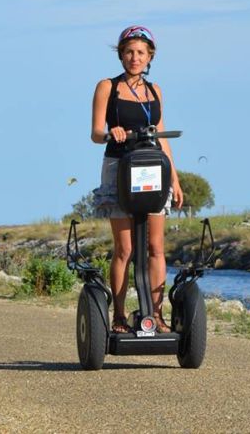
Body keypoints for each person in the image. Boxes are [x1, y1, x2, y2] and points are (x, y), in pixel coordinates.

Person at [90, 25, 184, 334]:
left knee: (156, 246)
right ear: (120, 54)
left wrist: (176, 179)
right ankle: (117, 317)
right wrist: (110, 132)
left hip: (153, 168)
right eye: (129, 52)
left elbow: (162, 135)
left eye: (141, 53)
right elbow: (95, 134)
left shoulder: (155, 91)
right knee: (125, 248)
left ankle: (155, 316)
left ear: (150, 56)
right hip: (119, 166)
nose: (135, 58)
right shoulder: (108, 87)